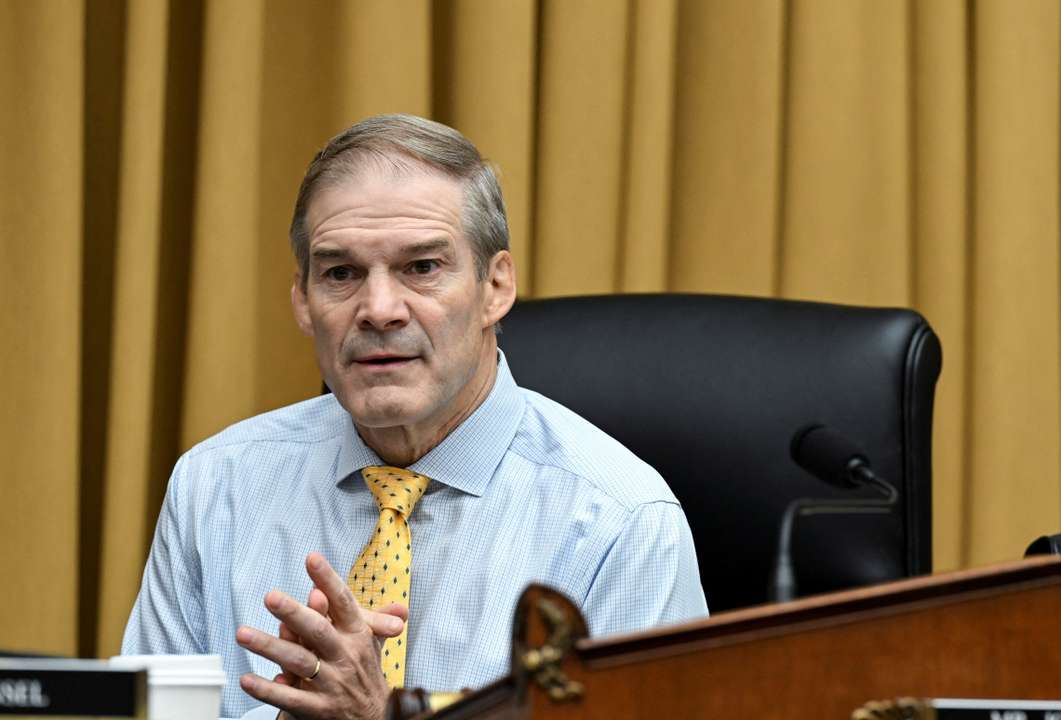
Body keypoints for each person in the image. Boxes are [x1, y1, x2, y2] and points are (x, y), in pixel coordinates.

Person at [121, 114, 708, 720]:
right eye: (341, 273)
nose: (378, 309)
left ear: (495, 287)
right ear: (303, 301)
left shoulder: (621, 521)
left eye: (421, 267)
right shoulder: (215, 485)